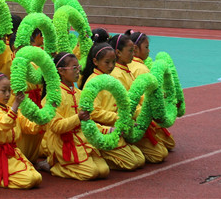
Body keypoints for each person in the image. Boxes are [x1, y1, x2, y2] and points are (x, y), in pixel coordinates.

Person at [79, 35, 145, 171]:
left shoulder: (110, 79)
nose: (111, 66)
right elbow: (94, 113)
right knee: (132, 163)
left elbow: (123, 102)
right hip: (102, 129)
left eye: (113, 62)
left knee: (140, 159)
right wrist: (119, 119)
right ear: (95, 62)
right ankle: (99, 151)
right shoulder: (93, 82)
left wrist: (128, 119)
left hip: (116, 126)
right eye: (107, 62)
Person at [42, 52, 109, 180]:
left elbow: (89, 122)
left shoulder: (80, 93)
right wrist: (78, 117)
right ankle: (55, 166)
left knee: (104, 171)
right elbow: (56, 126)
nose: (78, 71)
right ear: (61, 71)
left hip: (82, 140)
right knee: (92, 173)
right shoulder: (53, 96)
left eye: (78, 67)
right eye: (74, 68)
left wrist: (109, 130)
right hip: (64, 143)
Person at [107, 33, 167, 163]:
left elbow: (139, 97)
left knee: (165, 148)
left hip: (135, 115)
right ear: (118, 53)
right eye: (130, 50)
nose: (133, 53)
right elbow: (125, 104)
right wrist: (146, 113)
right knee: (156, 155)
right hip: (125, 119)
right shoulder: (117, 75)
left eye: (133, 50)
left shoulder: (126, 69)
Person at [0, 72, 42, 189]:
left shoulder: (9, 109)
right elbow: (4, 124)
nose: (7, 94)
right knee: (29, 180)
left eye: (9, 90)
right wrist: (15, 105)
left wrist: (43, 121)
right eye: (3, 91)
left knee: (37, 178)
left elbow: (28, 126)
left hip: (13, 152)